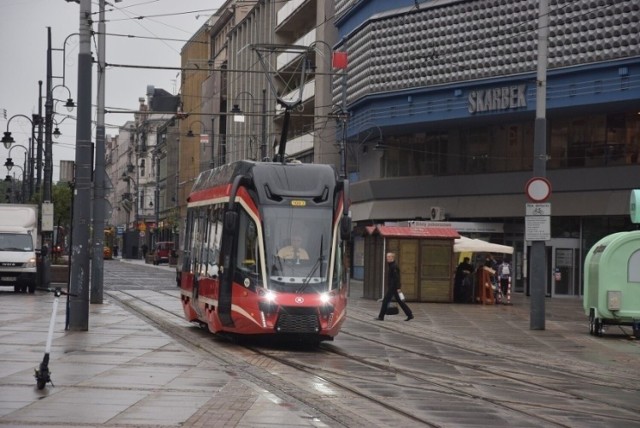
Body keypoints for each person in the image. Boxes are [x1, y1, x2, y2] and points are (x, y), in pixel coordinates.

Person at [376, 252, 414, 321]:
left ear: (392, 258)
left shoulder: (394, 266)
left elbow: (397, 278)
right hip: (393, 287)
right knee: (400, 301)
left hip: (393, 287)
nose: (387, 258)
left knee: (385, 301)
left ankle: (381, 316)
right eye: (387, 257)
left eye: (389, 257)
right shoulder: (391, 265)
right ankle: (410, 315)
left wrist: (398, 287)